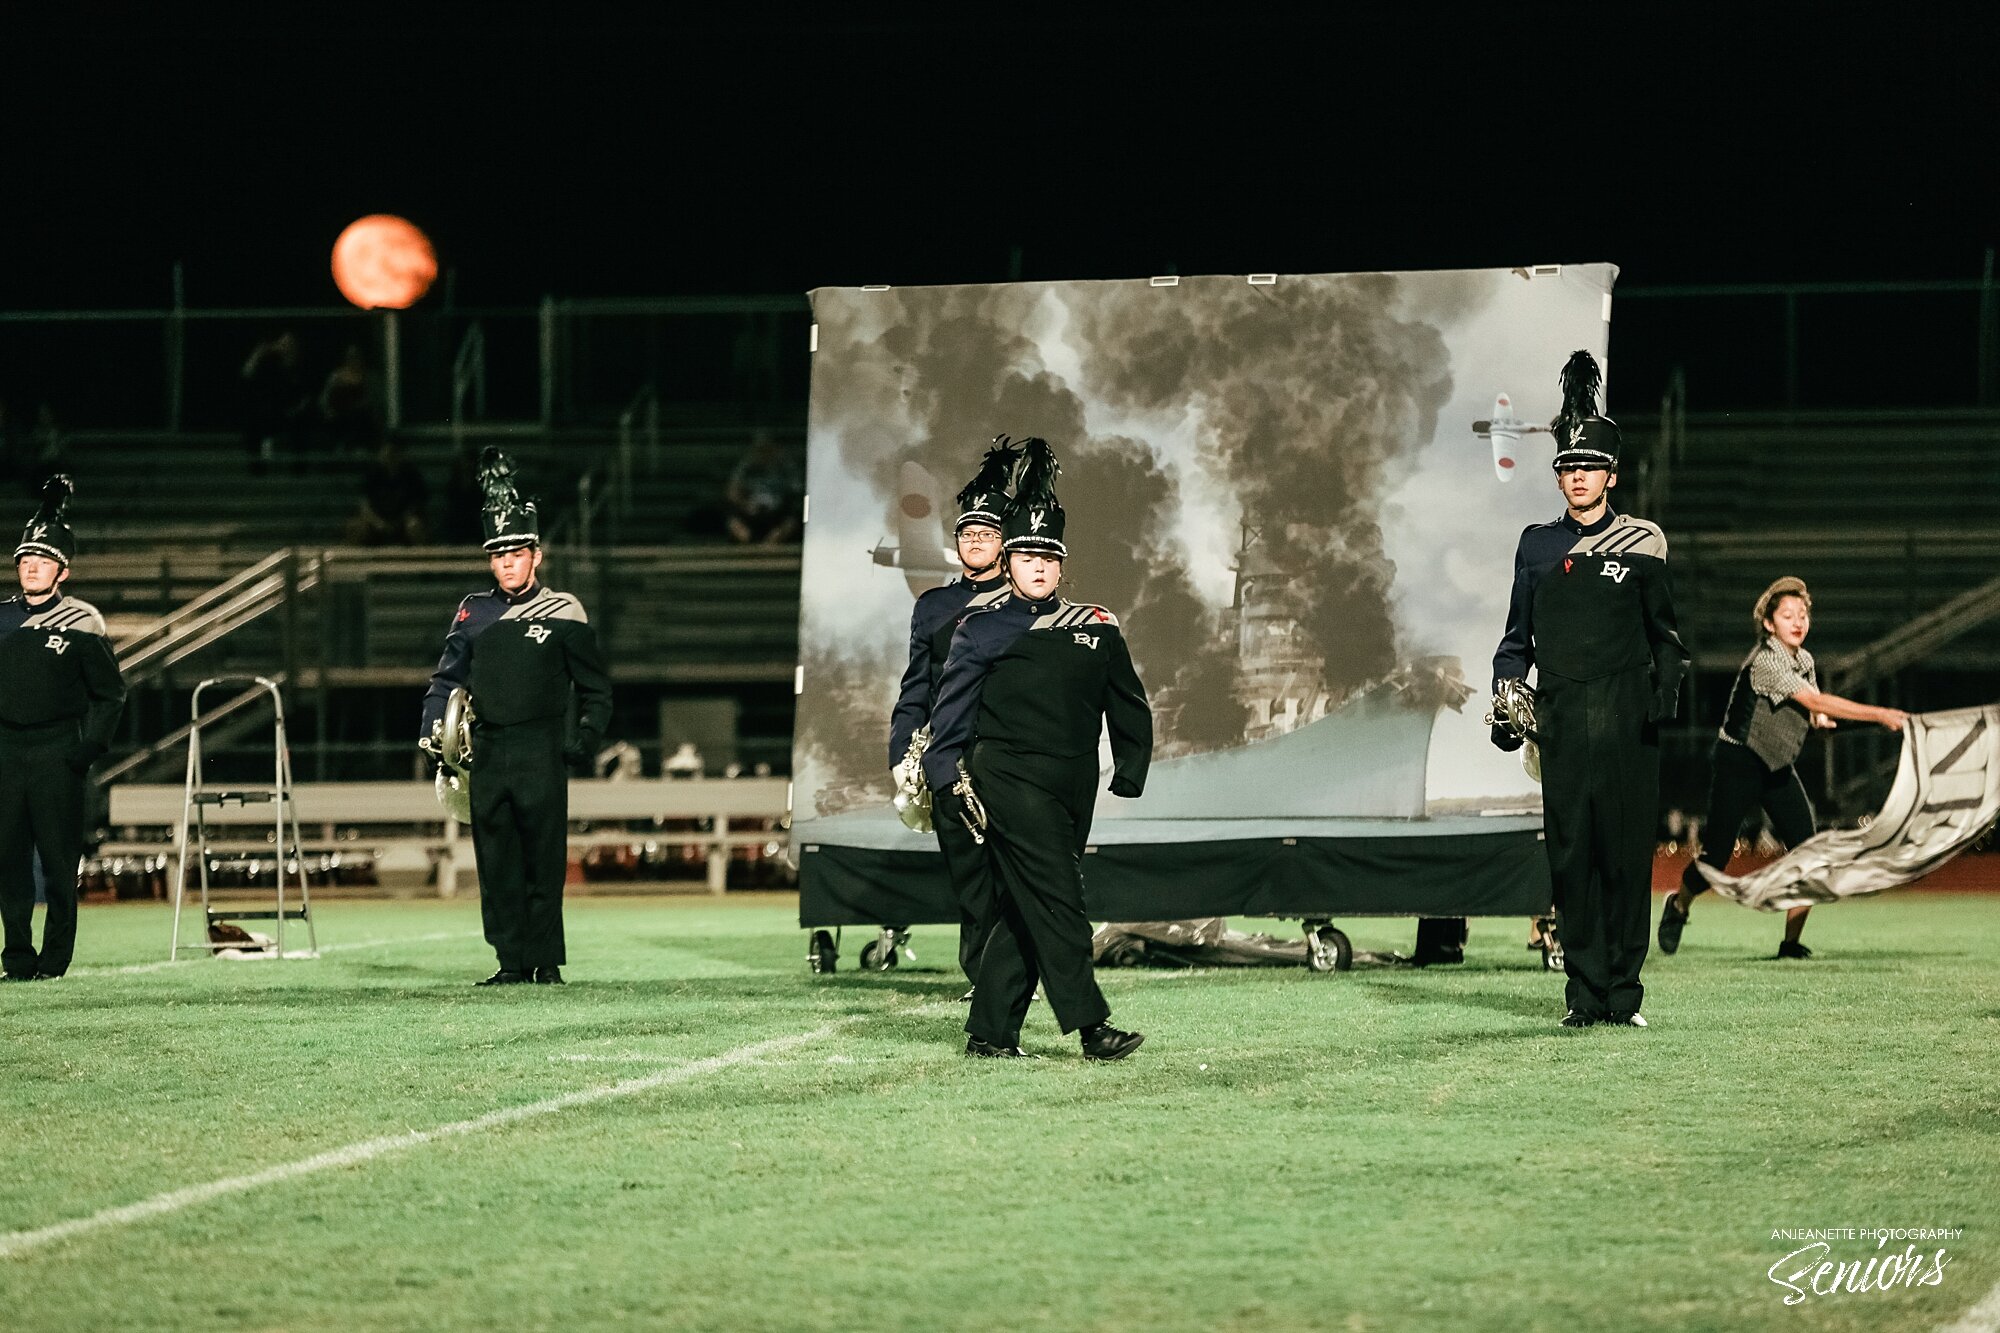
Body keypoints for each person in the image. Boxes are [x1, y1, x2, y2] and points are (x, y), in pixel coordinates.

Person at [925, 439, 1153, 1060]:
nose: (1038, 566)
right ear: (1009, 559)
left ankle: (989, 1033)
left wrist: (1130, 770)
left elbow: (1127, 703)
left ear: (1062, 563)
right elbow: (950, 712)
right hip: (1009, 781)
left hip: (1074, 784)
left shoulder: (1097, 625)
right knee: (1058, 897)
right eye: (1026, 554)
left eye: (1048, 556)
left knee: (1029, 907)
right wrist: (945, 776)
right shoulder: (979, 627)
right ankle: (1091, 1027)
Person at [1491, 351, 1688, 1029]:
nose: (1578, 478)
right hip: (1564, 719)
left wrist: (1666, 696)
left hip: (1629, 721)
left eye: (1589, 468)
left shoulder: (1645, 540)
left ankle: (1623, 993)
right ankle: (1582, 993)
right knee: (1571, 856)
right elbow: (1515, 637)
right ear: (1560, 477)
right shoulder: (1536, 545)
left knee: (1627, 857)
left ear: (1610, 473)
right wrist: (1505, 695)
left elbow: (1666, 636)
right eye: (1568, 469)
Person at [421, 449, 611, 986]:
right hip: (488, 753)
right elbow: (446, 680)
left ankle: (545, 962)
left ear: (536, 556)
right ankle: (509, 963)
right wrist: (430, 730)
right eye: (497, 554)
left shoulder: (564, 610)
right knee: (497, 862)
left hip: (541, 750)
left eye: (515, 552)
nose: (506, 562)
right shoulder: (473, 611)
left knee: (543, 861)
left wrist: (586, 737)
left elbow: (596, 688)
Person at [1659, 577, 1907, 959]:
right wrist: (1880, 714)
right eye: (1787, 615)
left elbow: (1810, 707)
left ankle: (1790, 944)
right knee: (1716, 857)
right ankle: (1678, 906)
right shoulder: (1766, 660)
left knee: (1807, 853)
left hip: (1777, 765)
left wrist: (1817, 720)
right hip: (1739, 761)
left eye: (1803, 614)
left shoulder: (1803, 659)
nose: (1798, 621)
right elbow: (1813, 698)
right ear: (1769, 624)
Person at [887, 438, 1020, 989]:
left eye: (986, 535)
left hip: (1012, 754)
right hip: (950, 757)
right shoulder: (933, 606)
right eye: (966, 533)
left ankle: (1016, 972)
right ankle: (985, 978)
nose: (974, 542)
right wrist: (901, 754)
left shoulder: (1026, 606)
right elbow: (915, 686)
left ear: (1005, 545)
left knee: (1017, 874)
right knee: (968, 875)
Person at [0, 476, 127, 981]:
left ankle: (54, 961)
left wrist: (86, 749)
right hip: (5, 752)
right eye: (24, 560)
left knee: (57, 863)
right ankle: (16, 958)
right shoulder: (1, 619)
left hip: (58, 751)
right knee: (7, 860)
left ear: (63, 571)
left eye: (42, 560)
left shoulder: (83, 621)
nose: (31, 567)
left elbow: (111, 693)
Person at [724, 430, 802, 544]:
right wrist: (745, 504)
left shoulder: (785, 468)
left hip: (776, 513)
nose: (763, 453)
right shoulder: (746, 468)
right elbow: (732, 491)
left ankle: (772, 542)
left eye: (767, 449)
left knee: (794, 517)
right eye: (759, 449)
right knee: (731, 517)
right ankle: (748, 545)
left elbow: (796, 491)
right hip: (751, 511)